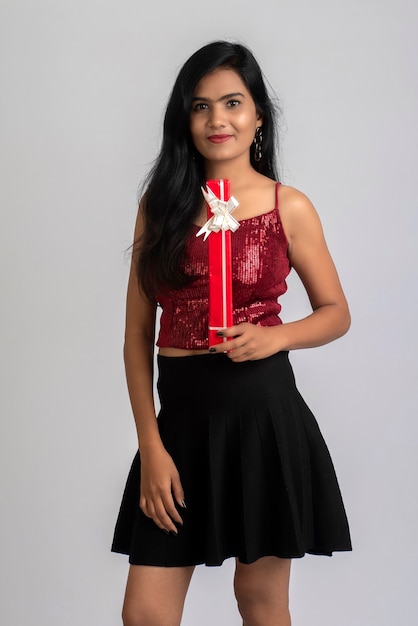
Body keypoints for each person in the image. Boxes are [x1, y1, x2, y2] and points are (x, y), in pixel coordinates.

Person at [112, 40, 352, 626]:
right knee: (146, 613)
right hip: (180, 426)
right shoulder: (161, 207)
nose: (217, 119)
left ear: (258, 114)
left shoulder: (286, 206)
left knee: (261, 604)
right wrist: (150, 444)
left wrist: (276, 337)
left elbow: (335, 312)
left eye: (232, 103)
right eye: (200, 106)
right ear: (185, 118)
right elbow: (137, 334)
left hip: (264, 420)